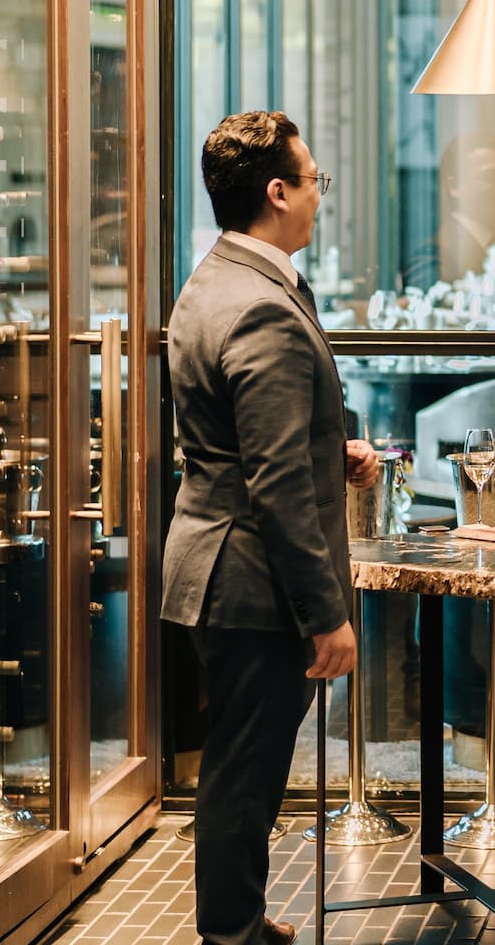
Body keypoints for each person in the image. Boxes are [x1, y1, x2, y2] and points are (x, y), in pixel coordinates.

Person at [161, 111, 383, 945]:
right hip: (251, 581)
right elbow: (276, 482)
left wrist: (335, 449)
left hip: (219, 567)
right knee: (243, 776)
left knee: (241, 765)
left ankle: (241, 921)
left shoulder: (216, 279)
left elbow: (256, 439)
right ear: (278, 191)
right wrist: (326, 613)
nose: (320, 196)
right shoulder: (261, 308)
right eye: (315, 180)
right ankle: (231, 936)